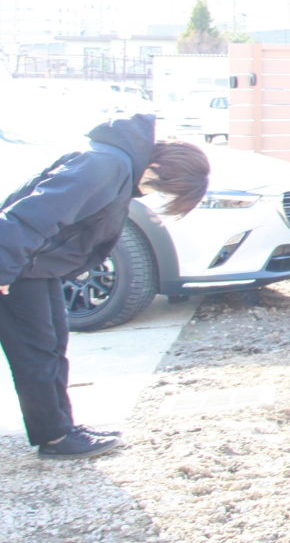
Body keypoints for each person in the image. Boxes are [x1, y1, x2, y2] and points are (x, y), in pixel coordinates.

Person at [0, 114, 209, 458]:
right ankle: (55, 439)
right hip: (21, 269)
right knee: (36, 353)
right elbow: (30, 215)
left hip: (37, 268)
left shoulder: (116, 164)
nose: (155, 195)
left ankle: (61, 428)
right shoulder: (106, 165)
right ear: (160, 169)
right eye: (165, 190)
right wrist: (4, 270)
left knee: (51, 348)